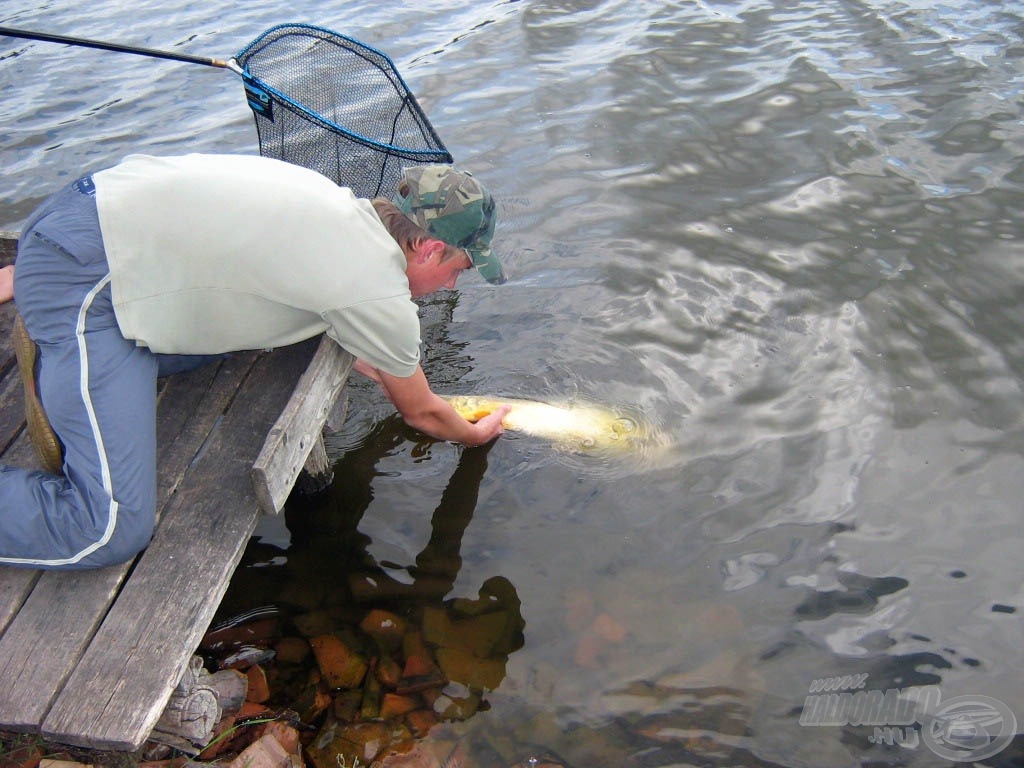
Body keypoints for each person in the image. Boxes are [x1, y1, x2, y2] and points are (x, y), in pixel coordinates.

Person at [0, 152, 510, 570]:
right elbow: (420, 412)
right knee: (107, 527)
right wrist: (473, 434)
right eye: (458, 270)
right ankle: (63, 338)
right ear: (429, 249)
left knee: (229, 342)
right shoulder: (376, 292)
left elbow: (328, 306)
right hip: (85, 277)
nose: (452, 284)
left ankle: (65, 348)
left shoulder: (336, 206)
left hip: (80, 213)